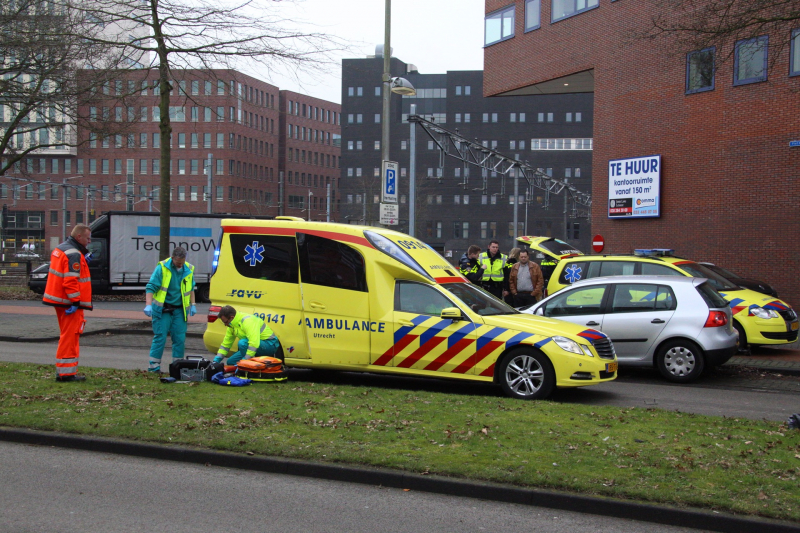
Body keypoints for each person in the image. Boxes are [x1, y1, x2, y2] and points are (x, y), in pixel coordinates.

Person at [42, 224, 93, 382]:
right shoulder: (73, 253)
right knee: (70, 336)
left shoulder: (62, 248)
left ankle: (64, 372)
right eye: (87, 238)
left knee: (67, 335)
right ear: (79, 237)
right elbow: (71, 280)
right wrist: (76, 301)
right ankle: (66, 373)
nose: (89, 241)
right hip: (68, 302)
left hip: (60, 300)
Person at [143, 247, 196, 373]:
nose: (180, 265)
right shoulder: (162, 268)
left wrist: (193, 304)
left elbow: (191, 288)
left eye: (182, 262)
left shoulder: (188, 268)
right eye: (178, 262)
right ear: (172, 258)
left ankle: (177, 366)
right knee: (160, 336)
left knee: (179, 338)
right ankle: (154, 366)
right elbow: (151, 287)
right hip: (163, 309)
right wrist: (148, 304)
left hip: (179, 310)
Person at [213, 305, 282, 365]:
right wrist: (215, 361)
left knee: (242, 343)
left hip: (270, 345)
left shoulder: (247, 321)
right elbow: (226, 345)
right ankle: (248, 366)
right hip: (257, 345)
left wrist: (245, 361)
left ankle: (251, 367)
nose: (225, 325)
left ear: (232, 317)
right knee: (231, 362)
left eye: (226, 322)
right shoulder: (232, 325)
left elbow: (254, 343)